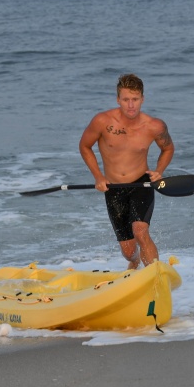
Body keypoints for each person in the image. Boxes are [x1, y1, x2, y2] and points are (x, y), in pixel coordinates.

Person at [78, 73, 175, 269]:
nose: (131, 105)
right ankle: (135, 262)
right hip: (113, 188)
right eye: (126, 100)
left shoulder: (154, 126)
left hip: (141, 183)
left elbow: (168, 148)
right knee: (128, 252)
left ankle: (155, 275)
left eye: (135, 99)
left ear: (142, 99)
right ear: (118, 100)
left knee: (140, 231)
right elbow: (84, 146)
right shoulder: (103, 121)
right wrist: (98, 176)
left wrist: (159, 171)